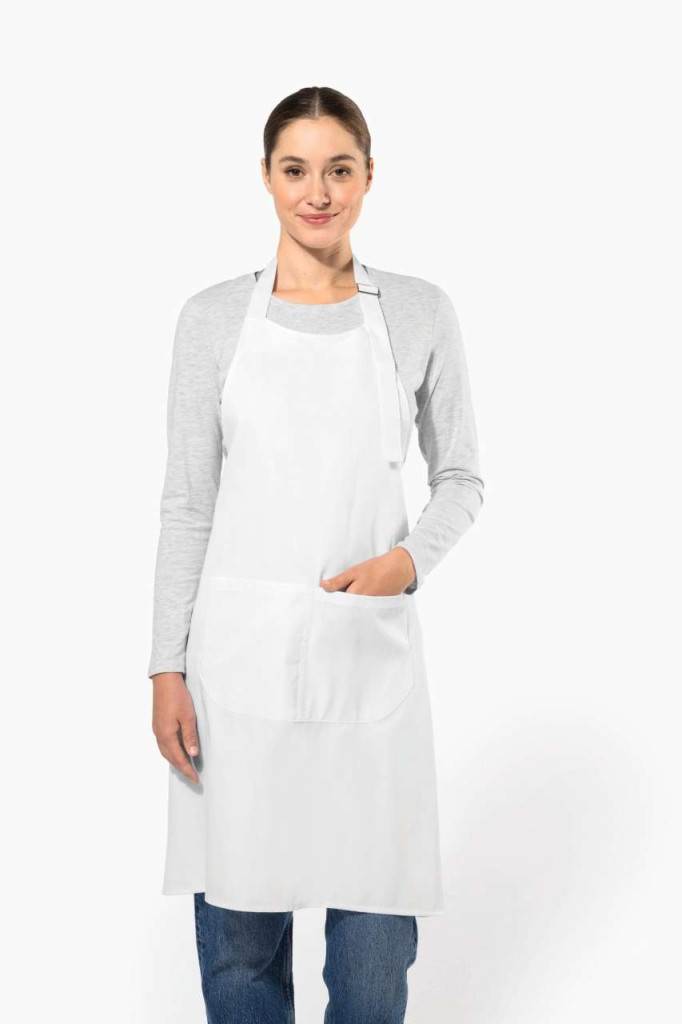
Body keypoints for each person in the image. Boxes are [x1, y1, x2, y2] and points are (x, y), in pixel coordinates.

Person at [148, 85, 484, 1023]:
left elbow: (462, 477)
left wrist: (405, 563)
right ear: (266, 178)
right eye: (295, 170)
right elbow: (187, 503)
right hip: (236, 671)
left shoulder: (418, 312)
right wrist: (166, 666)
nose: (318, 192)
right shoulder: (212, 319)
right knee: (240, 951)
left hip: (367, 665)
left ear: (369, 176)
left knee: (374, 962)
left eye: (339, 169)